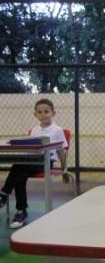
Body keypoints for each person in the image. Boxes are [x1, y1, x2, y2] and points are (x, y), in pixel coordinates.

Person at [0, 98, 68, 229]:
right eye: (40, 112)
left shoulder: (57, 130)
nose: (43, 114)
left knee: (18, 168)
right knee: (20, 173)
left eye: (46, 111)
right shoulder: (33, 130)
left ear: (53, 113)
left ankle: (4, 195)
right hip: (31, 161)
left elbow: (62, 151)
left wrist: (64, 170)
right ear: (35, 114)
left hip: (46, 162)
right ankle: (21, 211)